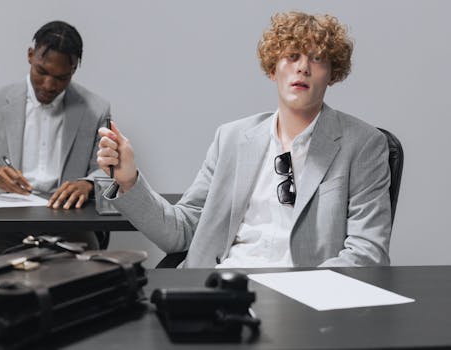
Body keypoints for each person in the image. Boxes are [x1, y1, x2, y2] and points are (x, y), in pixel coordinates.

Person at [97, 12, 391, 268]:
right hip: (223, 291)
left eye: (317, 59)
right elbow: (182, 231)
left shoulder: (363, 144)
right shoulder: (232, 138)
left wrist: (303, 291)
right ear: (273, 66)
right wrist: (129, 180)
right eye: (292, 56)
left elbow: (367, 253)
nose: (303, 67)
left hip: (305, 304)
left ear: (332, 74)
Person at [0, 20, 111, 262]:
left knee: (92, 288)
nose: (49, 85)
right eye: (42, 72)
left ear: (74, 69)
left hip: (67, 225)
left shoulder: (95, 109)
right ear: (30, 55)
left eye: (61, 77)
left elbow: (111, 172)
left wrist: (87, 184)